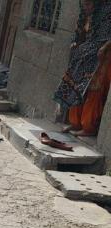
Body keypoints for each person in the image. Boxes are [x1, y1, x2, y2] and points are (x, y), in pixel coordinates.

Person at [56, 0, 111, 137]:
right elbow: (79, 31)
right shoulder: (85, 14)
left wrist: (105, 47)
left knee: (94, 91)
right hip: (85, 55)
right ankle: (75, 122)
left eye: (88, 4)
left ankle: (88, 126)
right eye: (84, 4)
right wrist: (75, 42)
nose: (86, 7)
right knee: (76, 85)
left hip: (102, 57)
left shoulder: (107, 11)